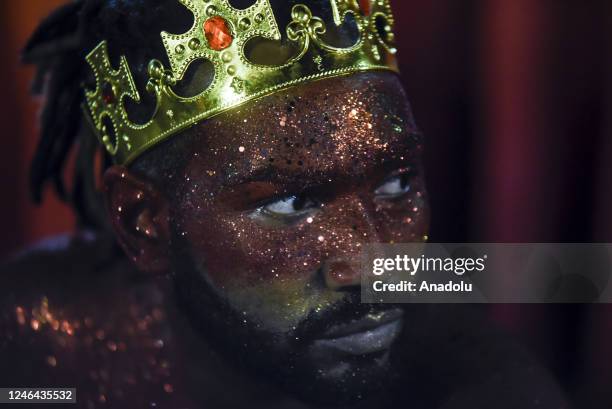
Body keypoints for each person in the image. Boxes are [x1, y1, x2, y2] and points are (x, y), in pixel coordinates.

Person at [0, 0, 569, 408]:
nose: (374, 263)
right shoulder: (36, 341)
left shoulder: (478, 383)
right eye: (294, 203)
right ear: (144, 222)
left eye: (395, 184)